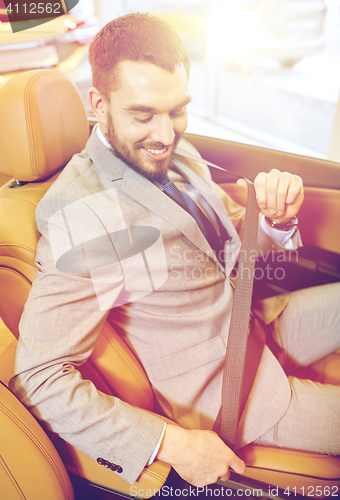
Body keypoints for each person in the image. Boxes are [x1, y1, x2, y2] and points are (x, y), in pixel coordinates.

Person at [10, 13, 340, 488]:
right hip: (227, 392)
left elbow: (232, 248)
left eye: (177, 110)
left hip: (256, 320)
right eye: (142, 115)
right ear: (98, 104)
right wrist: (173, 443)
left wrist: (276, 219)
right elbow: (40, 379)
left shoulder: (176, 152)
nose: (165, 135)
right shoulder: (82, 213)